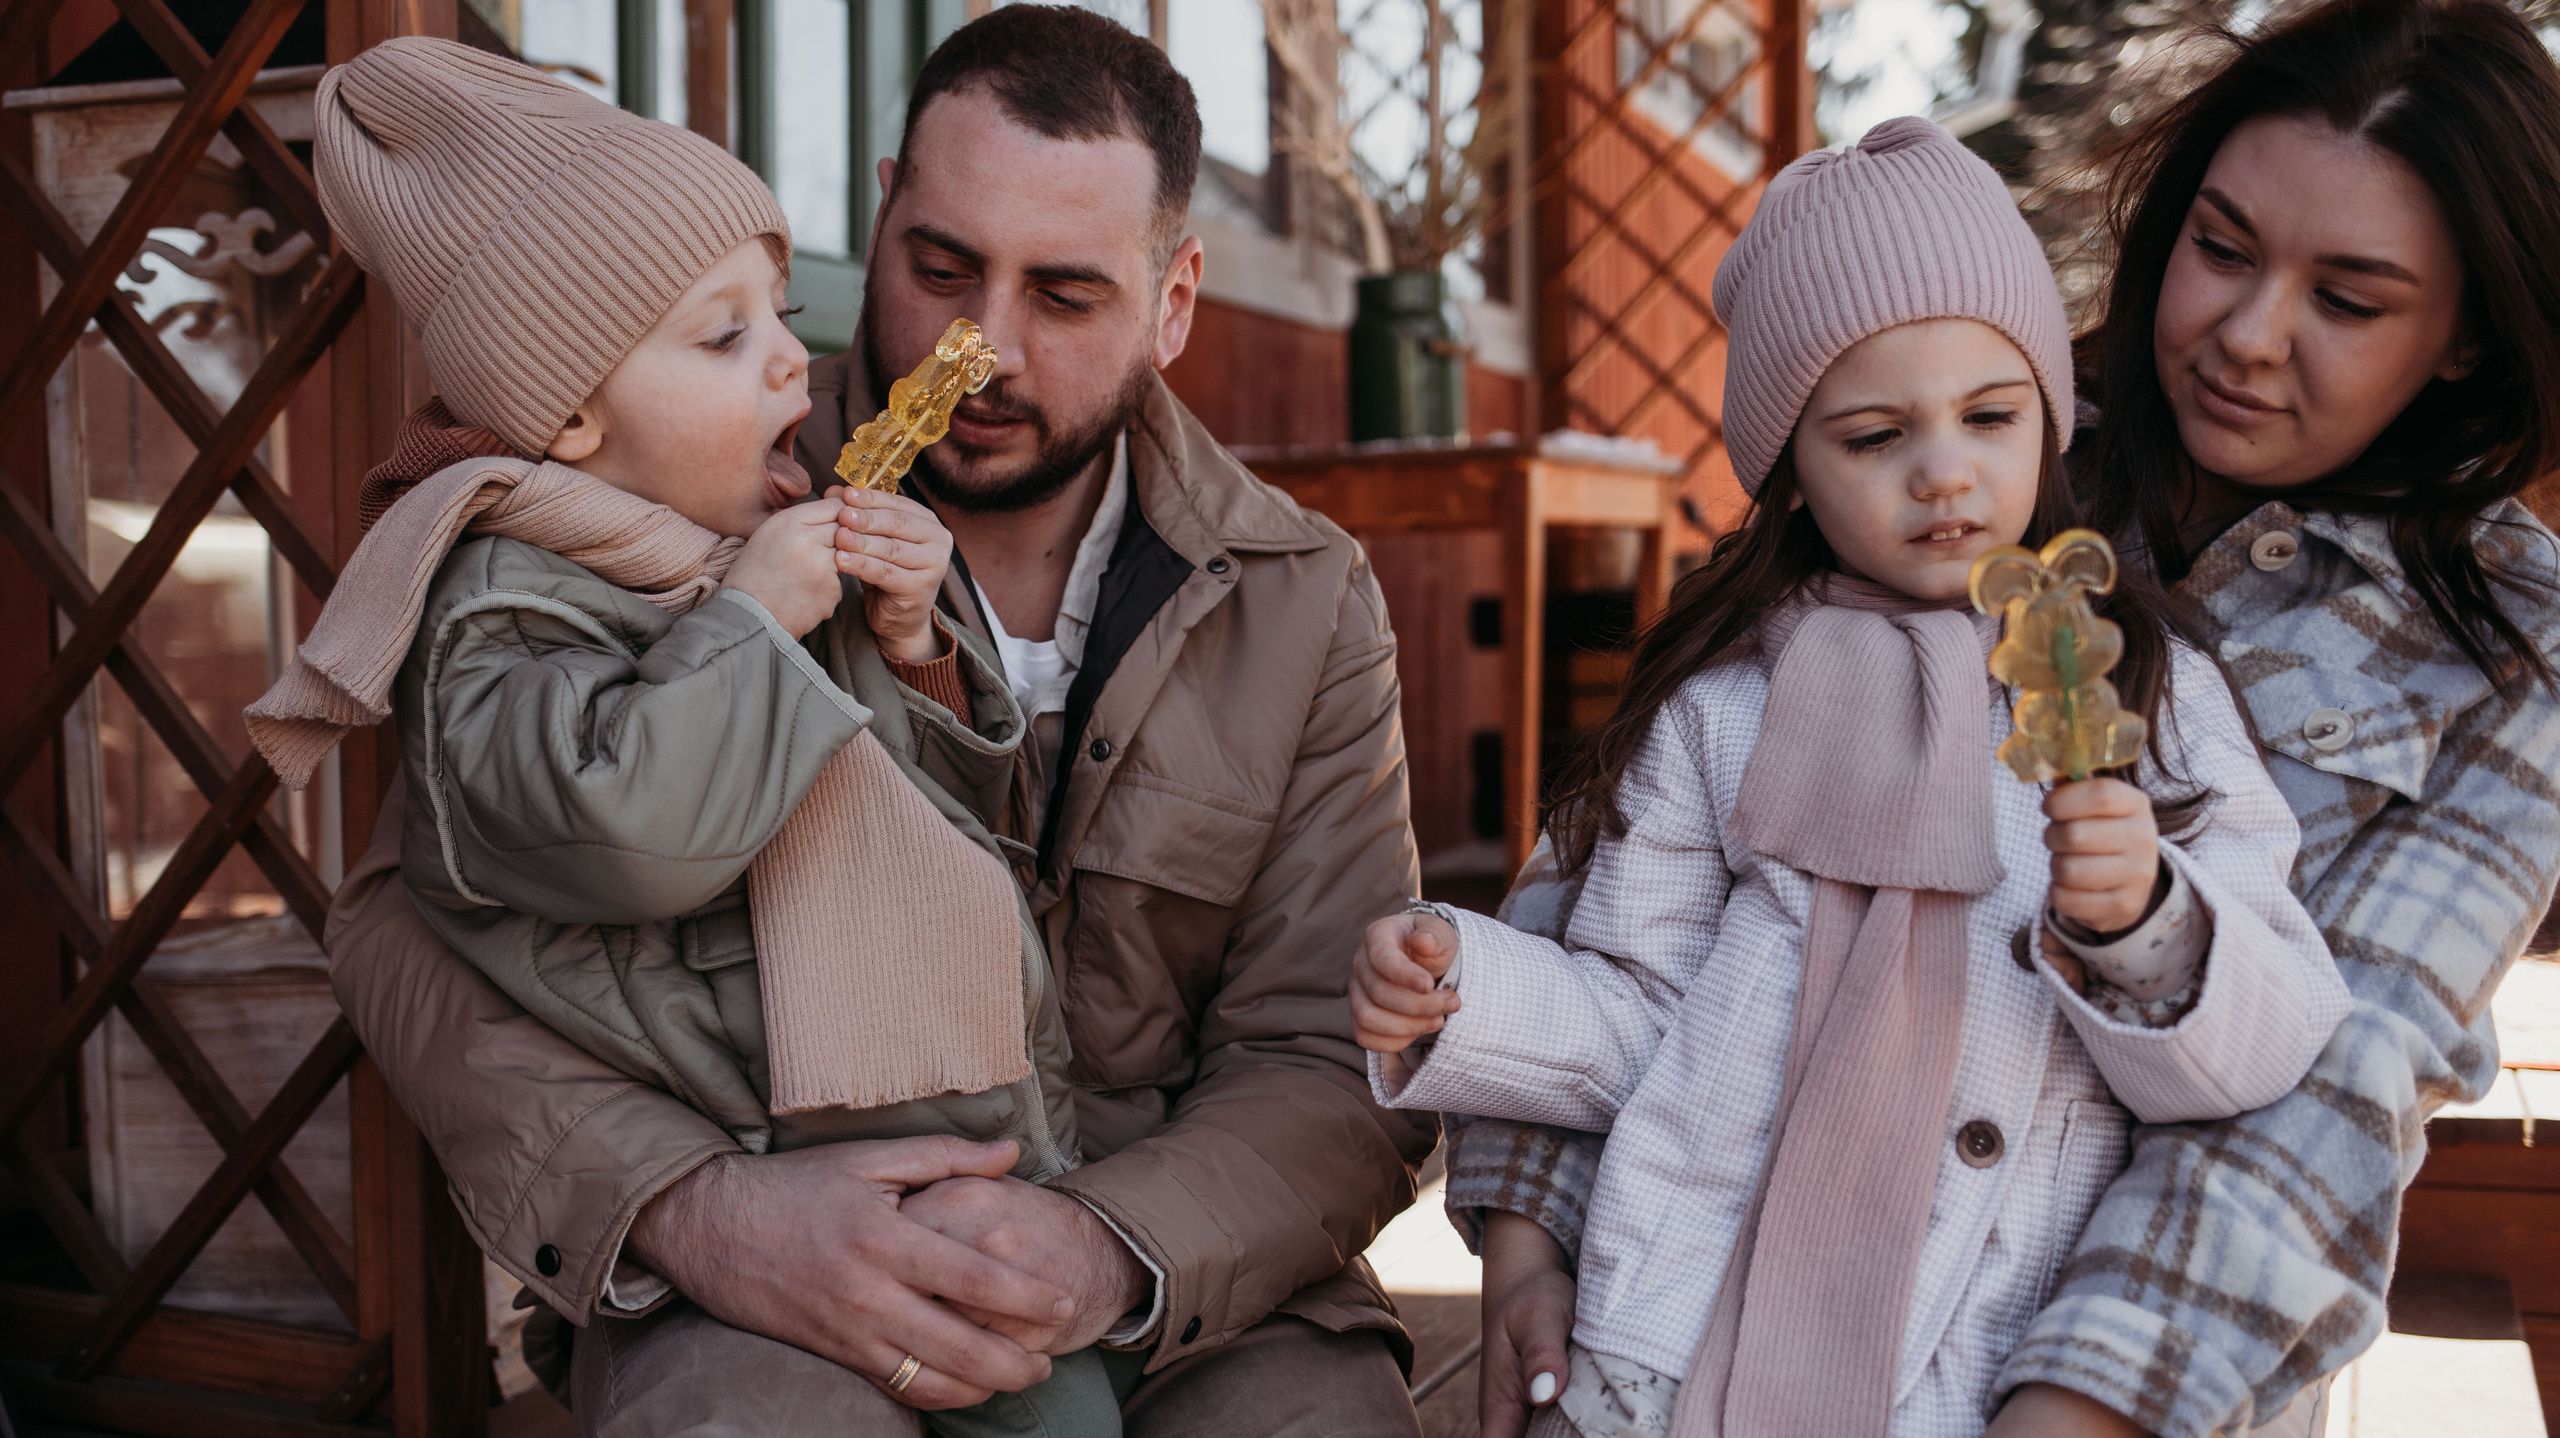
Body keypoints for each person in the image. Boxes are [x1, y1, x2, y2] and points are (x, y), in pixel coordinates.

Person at [319, 7, 1435, 1436]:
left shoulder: (1306, 604)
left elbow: (1333, 1057)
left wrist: (1109, 1246)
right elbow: (407, 939)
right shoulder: (673, 502)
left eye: (1069, 297)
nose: (988, 350)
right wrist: (701, 1212)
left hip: (1196, 1274)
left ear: (1175, 297)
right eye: (943, 267)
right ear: (885, 204)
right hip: (772, 1254)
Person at [1457, 3, 2560, 1435]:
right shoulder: (1976, 424)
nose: (2244, 333)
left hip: (2095, 1366)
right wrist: (1532, 1232)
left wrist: (2072, 1404)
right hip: (1709, 1328)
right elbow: (1630, 860)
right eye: (2219, 248)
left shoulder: (2509, 649)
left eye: (2347, 301)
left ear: (2467, 330)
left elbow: (2328, 1093)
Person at [1349, 116, 2350, 1438]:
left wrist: (2148, 924)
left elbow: (2276, 1032)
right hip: (1679, 1334)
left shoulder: (2143, 691)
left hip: (1960, 1346)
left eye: (1991, 417)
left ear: (2050, 414)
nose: (1945, 471)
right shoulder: (1725, 708)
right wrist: (1466, 984)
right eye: (1875, 436)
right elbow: (1644, 1012)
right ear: (1793, 472)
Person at [249, 37, 1128, 1437]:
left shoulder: (732, 537)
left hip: (965, 1153)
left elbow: (936, 814)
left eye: (778, 308)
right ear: (574, 415)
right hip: (763, 1167)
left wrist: (908, 647)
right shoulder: (499, 600)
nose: (794, 356)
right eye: (725, 334)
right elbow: (619, 832)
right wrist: (762, 622)